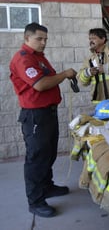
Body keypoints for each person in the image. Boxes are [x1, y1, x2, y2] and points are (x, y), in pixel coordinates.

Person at [9, 22, 77, 217]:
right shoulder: (24, 59)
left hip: (48, 113)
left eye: (45, 39)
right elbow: (39, 84)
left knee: (49, 154)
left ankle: (47, 186)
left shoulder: (39, 58)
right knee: (36, 159)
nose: (43, 42)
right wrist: (64, 74)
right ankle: (36, 201)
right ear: (27, 38)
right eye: (39, 38)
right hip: (35, 116)